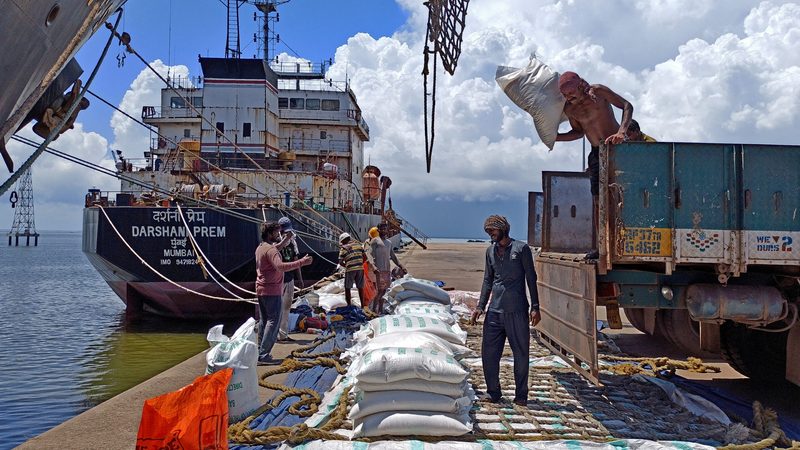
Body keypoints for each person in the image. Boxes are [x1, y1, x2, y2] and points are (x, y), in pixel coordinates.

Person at [555, 71, 634, 258]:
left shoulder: (598, 92)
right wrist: (556, 138)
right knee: (598, 201)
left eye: (571, 93)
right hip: (596, 153)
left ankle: (628, 242)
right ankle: (601, 248)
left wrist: (622, 132)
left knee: (624, 197)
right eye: (565, 95)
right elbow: (578, 132)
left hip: (618, 148)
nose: (569, 98)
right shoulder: (570, 109)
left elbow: (627, 106)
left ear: (581, 85)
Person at [470, 215, 540, 406]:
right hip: (494, 311)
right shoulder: (490, 252)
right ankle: (493, 392)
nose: (490, 234)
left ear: (503, 229)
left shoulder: (521, 249)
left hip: (517, 311)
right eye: (487, 231)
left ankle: (521, 395)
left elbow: (531, 278)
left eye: (492, 230)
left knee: (521, 354)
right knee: (489, 354)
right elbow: (487, 280)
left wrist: (535, 306)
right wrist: (480, 306)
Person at [255, 222, 312, 365]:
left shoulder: (261, 247)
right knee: (273, 321)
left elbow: (274, 249)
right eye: (276, 233)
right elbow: (280, 266)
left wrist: (286, 240)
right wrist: (301, 262)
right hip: (272, 289)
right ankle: (263, 355)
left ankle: (259, 351)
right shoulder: (271, 251)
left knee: (264, 321)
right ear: (270, 234)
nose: (278, 235)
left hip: (261, 288)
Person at [369, 223, 407, 313]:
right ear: (378, 230)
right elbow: (369, 255)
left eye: (385, 229)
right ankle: (374, 310)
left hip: (387, 270)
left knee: (384, 292)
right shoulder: (375, 241)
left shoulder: (389, 243)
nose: (384, 230)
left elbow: (393, 256)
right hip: (378, 270)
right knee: (379, 291)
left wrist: (401, 266)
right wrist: (373, 266)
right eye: (382, 229)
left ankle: (381, 310)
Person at [277, 217, 303, 342]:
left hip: (289, 278)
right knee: (276, 308)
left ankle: (283, 334)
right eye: (285, 231)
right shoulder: (276, 243)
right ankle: (274, 334)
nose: (287, 234)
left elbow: (295, 261)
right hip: (278, 280)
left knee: (286, 307)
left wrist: (300, 279)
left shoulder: (293, 242)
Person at [338, 232, 365, 306]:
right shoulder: (359, 245)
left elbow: (340, 262)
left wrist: (347, 265)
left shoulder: (343, 249)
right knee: (360, 287)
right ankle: (363, 305)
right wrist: (360, 263)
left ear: (343, 241)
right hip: (360, 268)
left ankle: (349, 305)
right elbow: (365, 256)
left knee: (347, 288)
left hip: (350, 269)